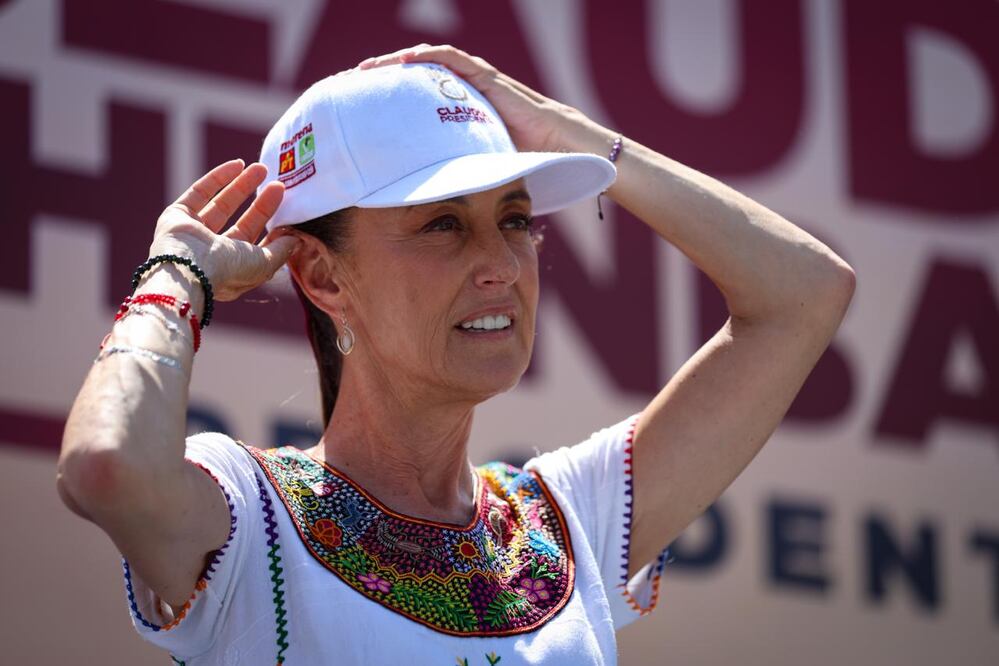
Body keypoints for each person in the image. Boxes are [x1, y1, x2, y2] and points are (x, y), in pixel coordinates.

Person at [57, 45, 855, 664]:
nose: (503, 266)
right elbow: (105, 466)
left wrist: (567, 132)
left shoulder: (567, 520)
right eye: (442, 224)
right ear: (322, 275)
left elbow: (805, 295)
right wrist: (178, 274)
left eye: (513, 219)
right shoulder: (247, 515)